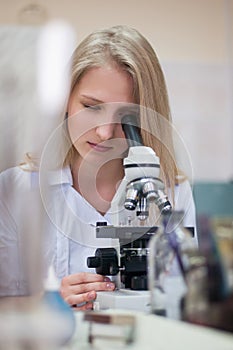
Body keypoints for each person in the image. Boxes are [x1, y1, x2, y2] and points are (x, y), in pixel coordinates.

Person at [0, 25, 196, 311]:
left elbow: (190, 298)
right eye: (91, 107)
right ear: (65, 100)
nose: (105, 133)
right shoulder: (15, 190)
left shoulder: (172, 191)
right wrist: (48, 304)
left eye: (127, 116)